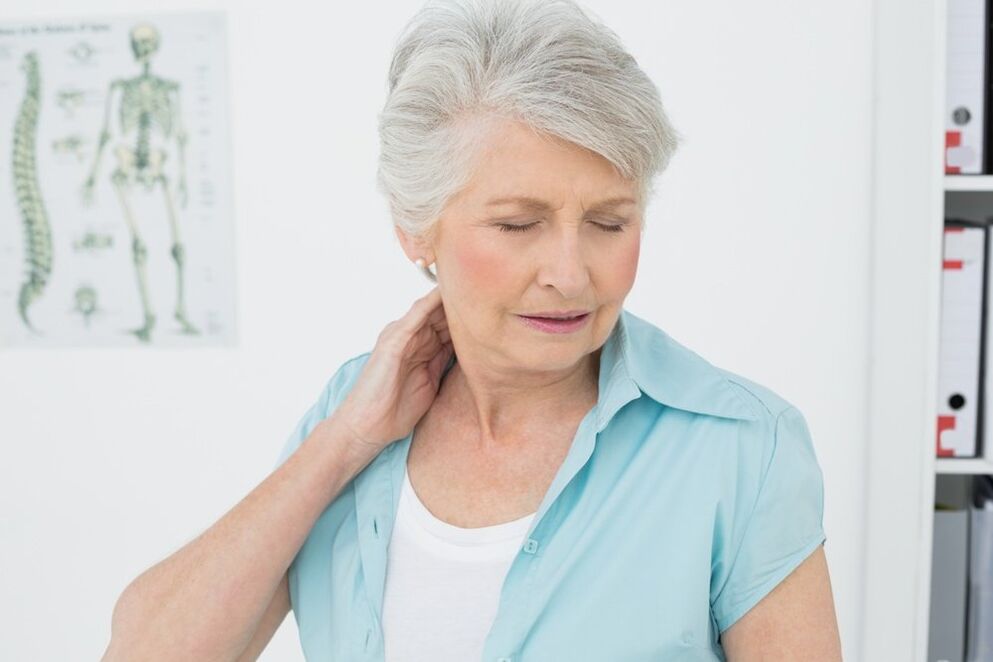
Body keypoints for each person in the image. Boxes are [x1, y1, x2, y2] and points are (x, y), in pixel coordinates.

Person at [102, 0, 843, 660]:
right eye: (517, 223)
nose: (570, 273)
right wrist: (342, 444)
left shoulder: (739, 446)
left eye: (609, 222)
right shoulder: (350, 417)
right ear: (414, 228)